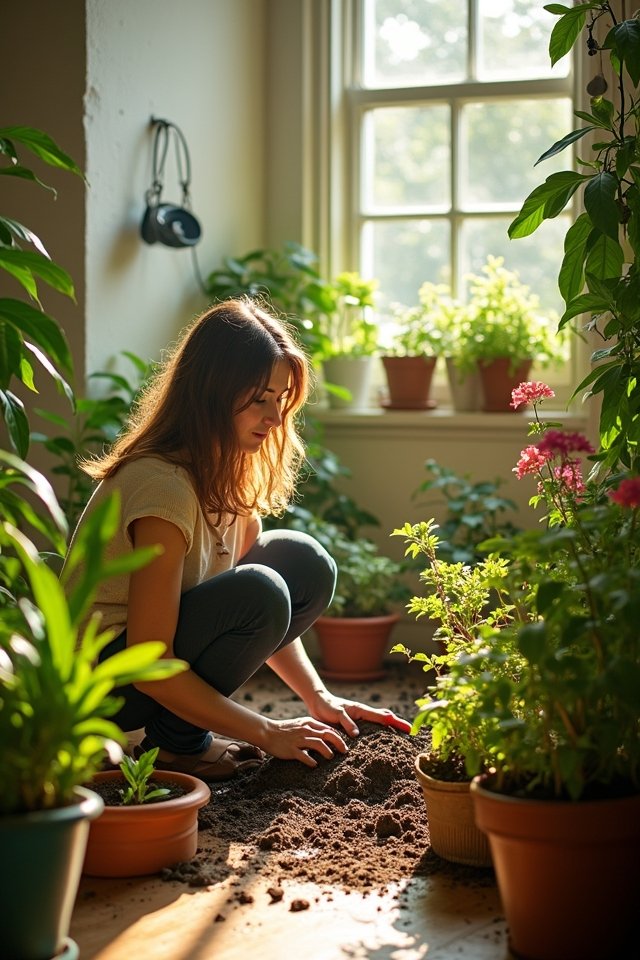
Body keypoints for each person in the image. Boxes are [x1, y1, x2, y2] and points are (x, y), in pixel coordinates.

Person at [65, 298, 411, 781]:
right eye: (259, 398)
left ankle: (175, 738)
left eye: (280, 399)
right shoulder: (162, 490)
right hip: (98, 686)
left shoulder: (229, 474)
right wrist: (268, 731)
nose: (273, 417)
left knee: (304, 563)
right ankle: (176, 748)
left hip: (145, 664)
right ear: (212, 391)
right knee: (262, 588)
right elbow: (150, 659)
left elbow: (261, 614)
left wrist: (318, 697)